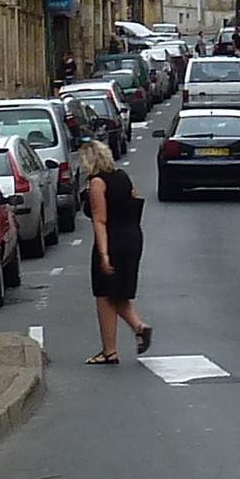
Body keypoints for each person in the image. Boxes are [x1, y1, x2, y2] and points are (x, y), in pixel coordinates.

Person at [78, 138, 148, 363]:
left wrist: (104, 254)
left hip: (112, 240)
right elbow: (137, 200)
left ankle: (110, 350)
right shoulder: (123, 177)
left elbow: (100, 220)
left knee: (104, 293)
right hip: (133, 236)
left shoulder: (97, 183)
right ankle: (138, 328)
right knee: (118, 290)